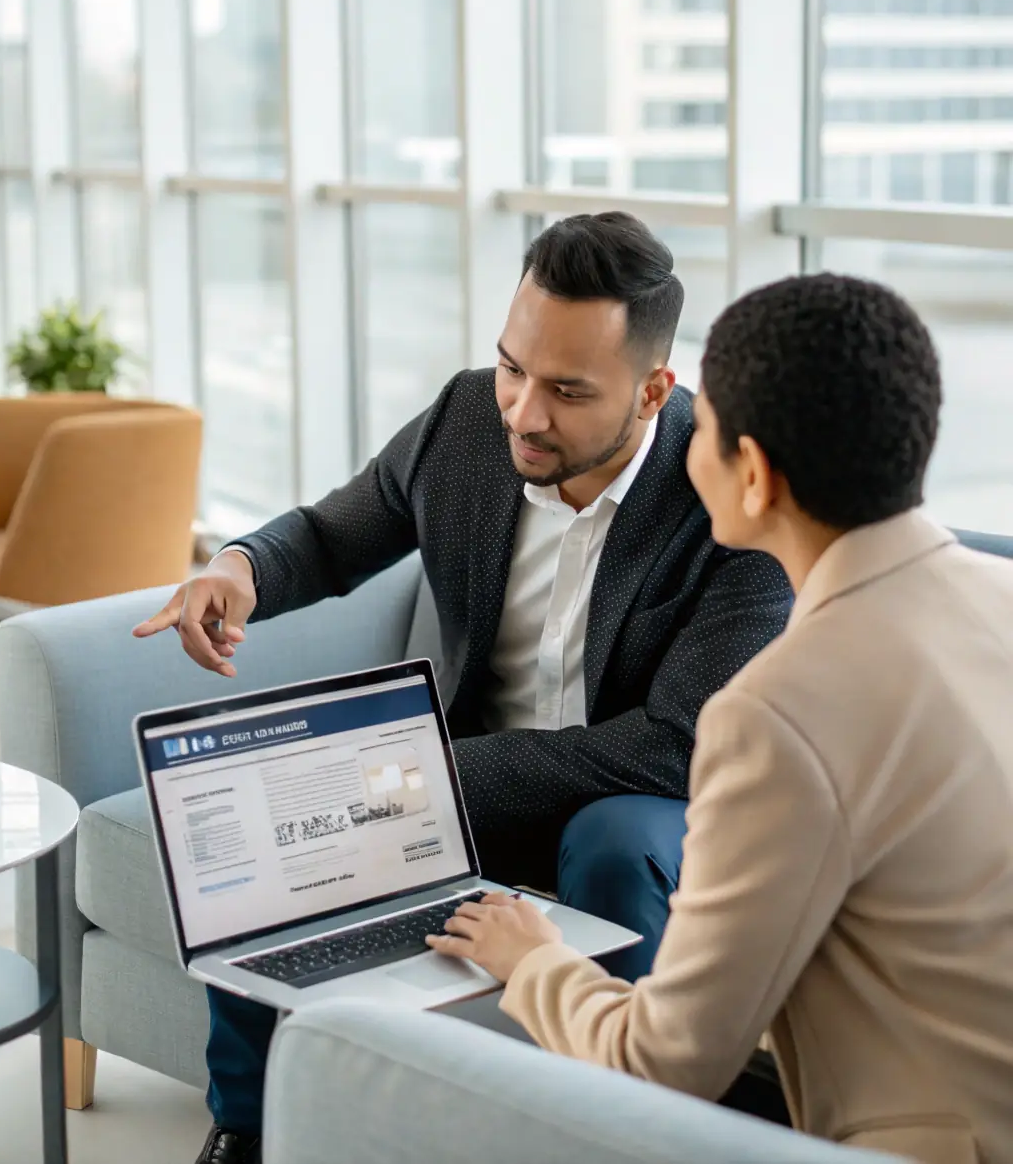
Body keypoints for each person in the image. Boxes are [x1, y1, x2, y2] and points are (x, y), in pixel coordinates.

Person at [135, 212, 791, 1164]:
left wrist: (425, 772)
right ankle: (245, 1128)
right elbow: (332, 532)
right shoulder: (465, 421)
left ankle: (615, 1128)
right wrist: (243, 568)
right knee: (273, 821)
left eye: (567, 390)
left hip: (645, 801)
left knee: (609, 838)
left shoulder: (728, 497)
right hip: (474, 775)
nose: (524, 410)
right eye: (513, 367)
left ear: (654, 389)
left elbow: (675, 745)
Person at [431, 272, 1013, 1164]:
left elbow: (661, 1062)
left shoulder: (776, 712)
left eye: (699, 431)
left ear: (757, 475)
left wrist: (533, 958)